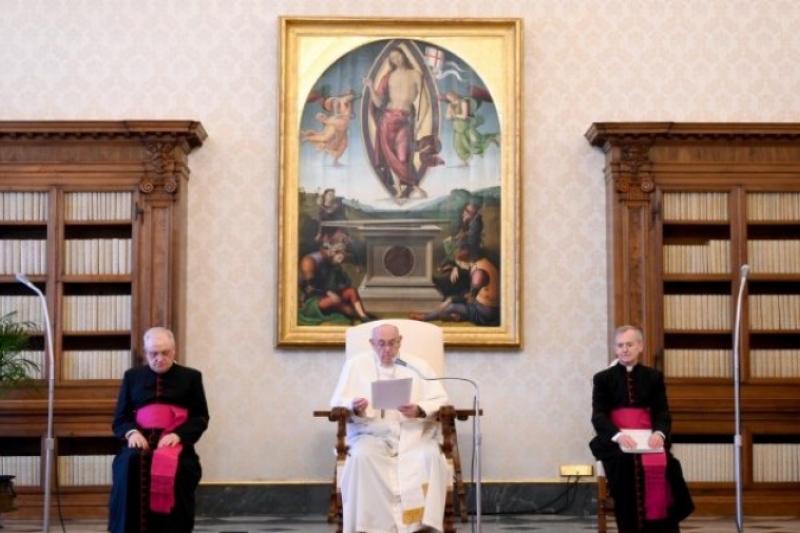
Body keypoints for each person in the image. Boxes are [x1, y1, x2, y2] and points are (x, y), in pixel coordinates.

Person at [330, 323, 450, 533]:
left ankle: (421, 525)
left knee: (429, 456)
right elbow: (338, 402)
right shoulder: (355, 365)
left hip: (413, 435)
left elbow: (441, 400)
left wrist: (420, 409)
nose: (387, 349)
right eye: (381, 344)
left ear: (400, 341)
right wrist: (354, 406)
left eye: (392, 343)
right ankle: (371, 525)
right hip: (370, 435)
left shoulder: (417, 366)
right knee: (361, 457)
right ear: (371, 343)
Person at [590, 325, 694, 533]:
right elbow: (598, 415)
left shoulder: (653, 377)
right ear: (615, 349)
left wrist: (659, 433)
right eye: (620, 345)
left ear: (640, 346)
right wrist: (618, 436)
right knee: (624, 462)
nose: (625, 349)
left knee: (670, 466)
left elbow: (662, 412)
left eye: (630, 344)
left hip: (648, 437)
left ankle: (661, 527)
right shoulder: (602, 378)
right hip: (616, 438)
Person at [108, 327, 210, 533]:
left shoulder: (191, 377)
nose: (159, 358)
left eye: (165, 352)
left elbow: (201, 417)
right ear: (146, 353)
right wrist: (132, 433)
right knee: (129, 462)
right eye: (153, 353)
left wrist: (178, 434)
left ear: (174, 351)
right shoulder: (132, 377)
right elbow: (120, 418)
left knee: (179, 467)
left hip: (174, 440)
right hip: (140, 439)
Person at [365, 47, 429, 200]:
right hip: (387, 119)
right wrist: (370, 87)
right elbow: (379, 103)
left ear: (403, 55)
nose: (396, 60)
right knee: (390, 157)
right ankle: (399, 190)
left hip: (405, 119)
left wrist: (420, 122)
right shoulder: (388, 77)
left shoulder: (415, 74)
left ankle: (414, 186)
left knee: (403, 156)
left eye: (397, 56)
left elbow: (425, 101)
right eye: (392, 58)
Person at [298, 242, 377, 325]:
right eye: (336, 252)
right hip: (312, 300)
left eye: (339, 252)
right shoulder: (312, 262)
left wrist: (338, 269)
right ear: (327, 251)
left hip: (329, 295)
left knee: (351, 291)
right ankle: (362, 316)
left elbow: (343, 283)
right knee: (335, 300)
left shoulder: (333, 265)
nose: (339, 255)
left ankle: (363, 316)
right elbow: (309, 289)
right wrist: (328, 292)